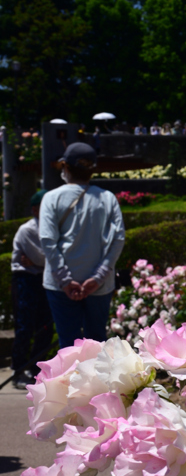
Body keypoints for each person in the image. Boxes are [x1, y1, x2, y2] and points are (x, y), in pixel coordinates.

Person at [39, 143, 126, 348]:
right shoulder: (107, 198)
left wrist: (65, 280)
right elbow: (118, 239)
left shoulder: (51, 198)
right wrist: (97, 277)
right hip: (99, 285)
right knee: (97, 344)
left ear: (65, 167)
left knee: (68, 346)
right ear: (92, 170)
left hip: (60, 286)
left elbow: (48, 242)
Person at [10, 190, 54, 389]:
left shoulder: (53, 228)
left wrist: (43, 261)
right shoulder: (27, 230)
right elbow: (45, 258)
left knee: (45, 326)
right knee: (24, 326)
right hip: (26, 280)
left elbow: (48, 258)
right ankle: (19, 370)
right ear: (35, 209)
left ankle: (37, 368)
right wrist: (45, 261)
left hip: (43, 279)